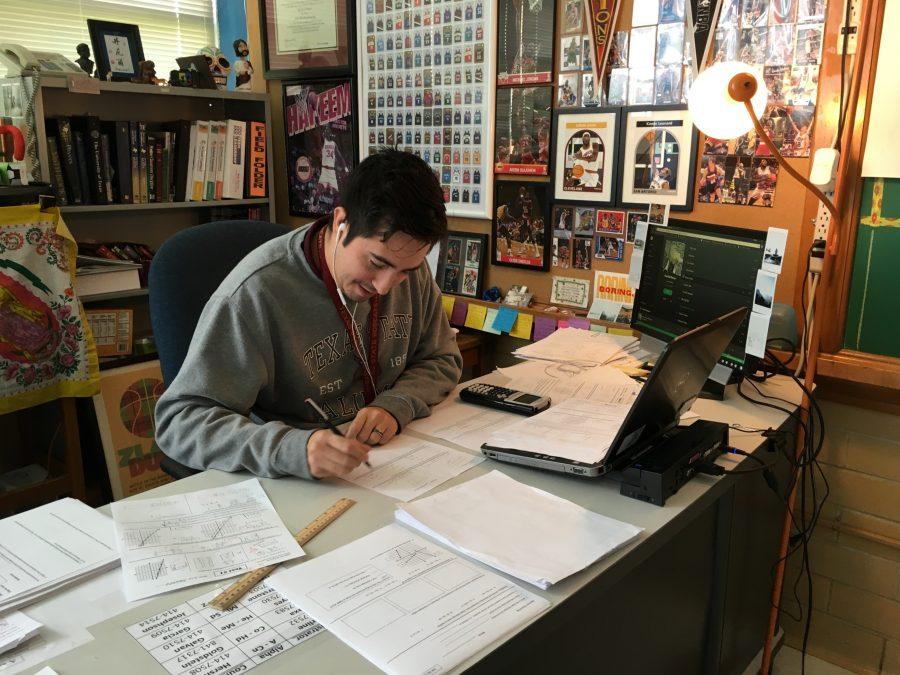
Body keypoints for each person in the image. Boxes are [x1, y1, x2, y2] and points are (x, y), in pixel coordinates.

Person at [155, 150, 462, 480]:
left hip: (388, 464)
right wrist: (289, 448)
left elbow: (441, 358)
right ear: (341, 222)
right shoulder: (254, 295)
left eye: (405, 271)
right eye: (376, 263)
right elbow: (180, 422)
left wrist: (397, 403)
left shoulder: (408, 268)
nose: (386, 287)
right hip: (293, 476)